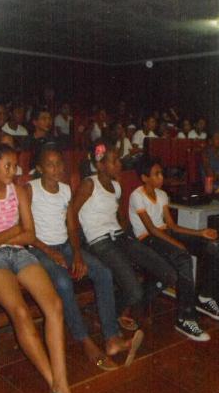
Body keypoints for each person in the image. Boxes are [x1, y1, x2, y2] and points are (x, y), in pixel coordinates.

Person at [0, 144, 88, 393]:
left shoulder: (19, 191)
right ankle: (57, 387)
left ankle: (62, 385)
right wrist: (13, 232)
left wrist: (12, 236)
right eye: (7, 165)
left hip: (19, 252)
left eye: (15, 165)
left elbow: (30, 234)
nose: (14, 171)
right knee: (20, 311)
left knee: (54, 304)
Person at [27, 146, 143, 370]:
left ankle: (111, 338)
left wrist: (78, 254)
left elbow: (71, 225)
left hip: (65, 246)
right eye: (50, 165)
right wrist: (50, 252)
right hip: (40, 249)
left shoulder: (65, 190)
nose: (57, 169)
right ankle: (85, 341)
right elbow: (26, 229)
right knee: (63, 282)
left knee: (103, 272)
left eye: (60, 163)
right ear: (39, 168)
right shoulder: (30, 190)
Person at [73, 140, 178, 331]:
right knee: (135, 292)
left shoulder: (117, 186)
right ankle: (113, 311)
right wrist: (77, 249)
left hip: (120, 237)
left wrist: (126, 236)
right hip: (99, 242)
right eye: (114, 161)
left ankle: (113, 308)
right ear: (100, 165)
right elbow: (71, 214)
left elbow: (119, 217)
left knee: (169, 273)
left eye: (119, 160)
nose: (120, 165)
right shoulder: (89, 184)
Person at [130, 157, 219, 341]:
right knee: (183, 257)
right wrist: (177, 245)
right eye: (156, 174)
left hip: (164, 233)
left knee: (214, 246)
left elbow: (172, 226)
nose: (161, 177)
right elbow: (152, 229)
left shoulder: (161, 195)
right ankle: (185, 318)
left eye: (161, 173)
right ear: (144, 178)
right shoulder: (137, 196)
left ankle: (204, 297)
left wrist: (200, 233)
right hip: (147, 239)